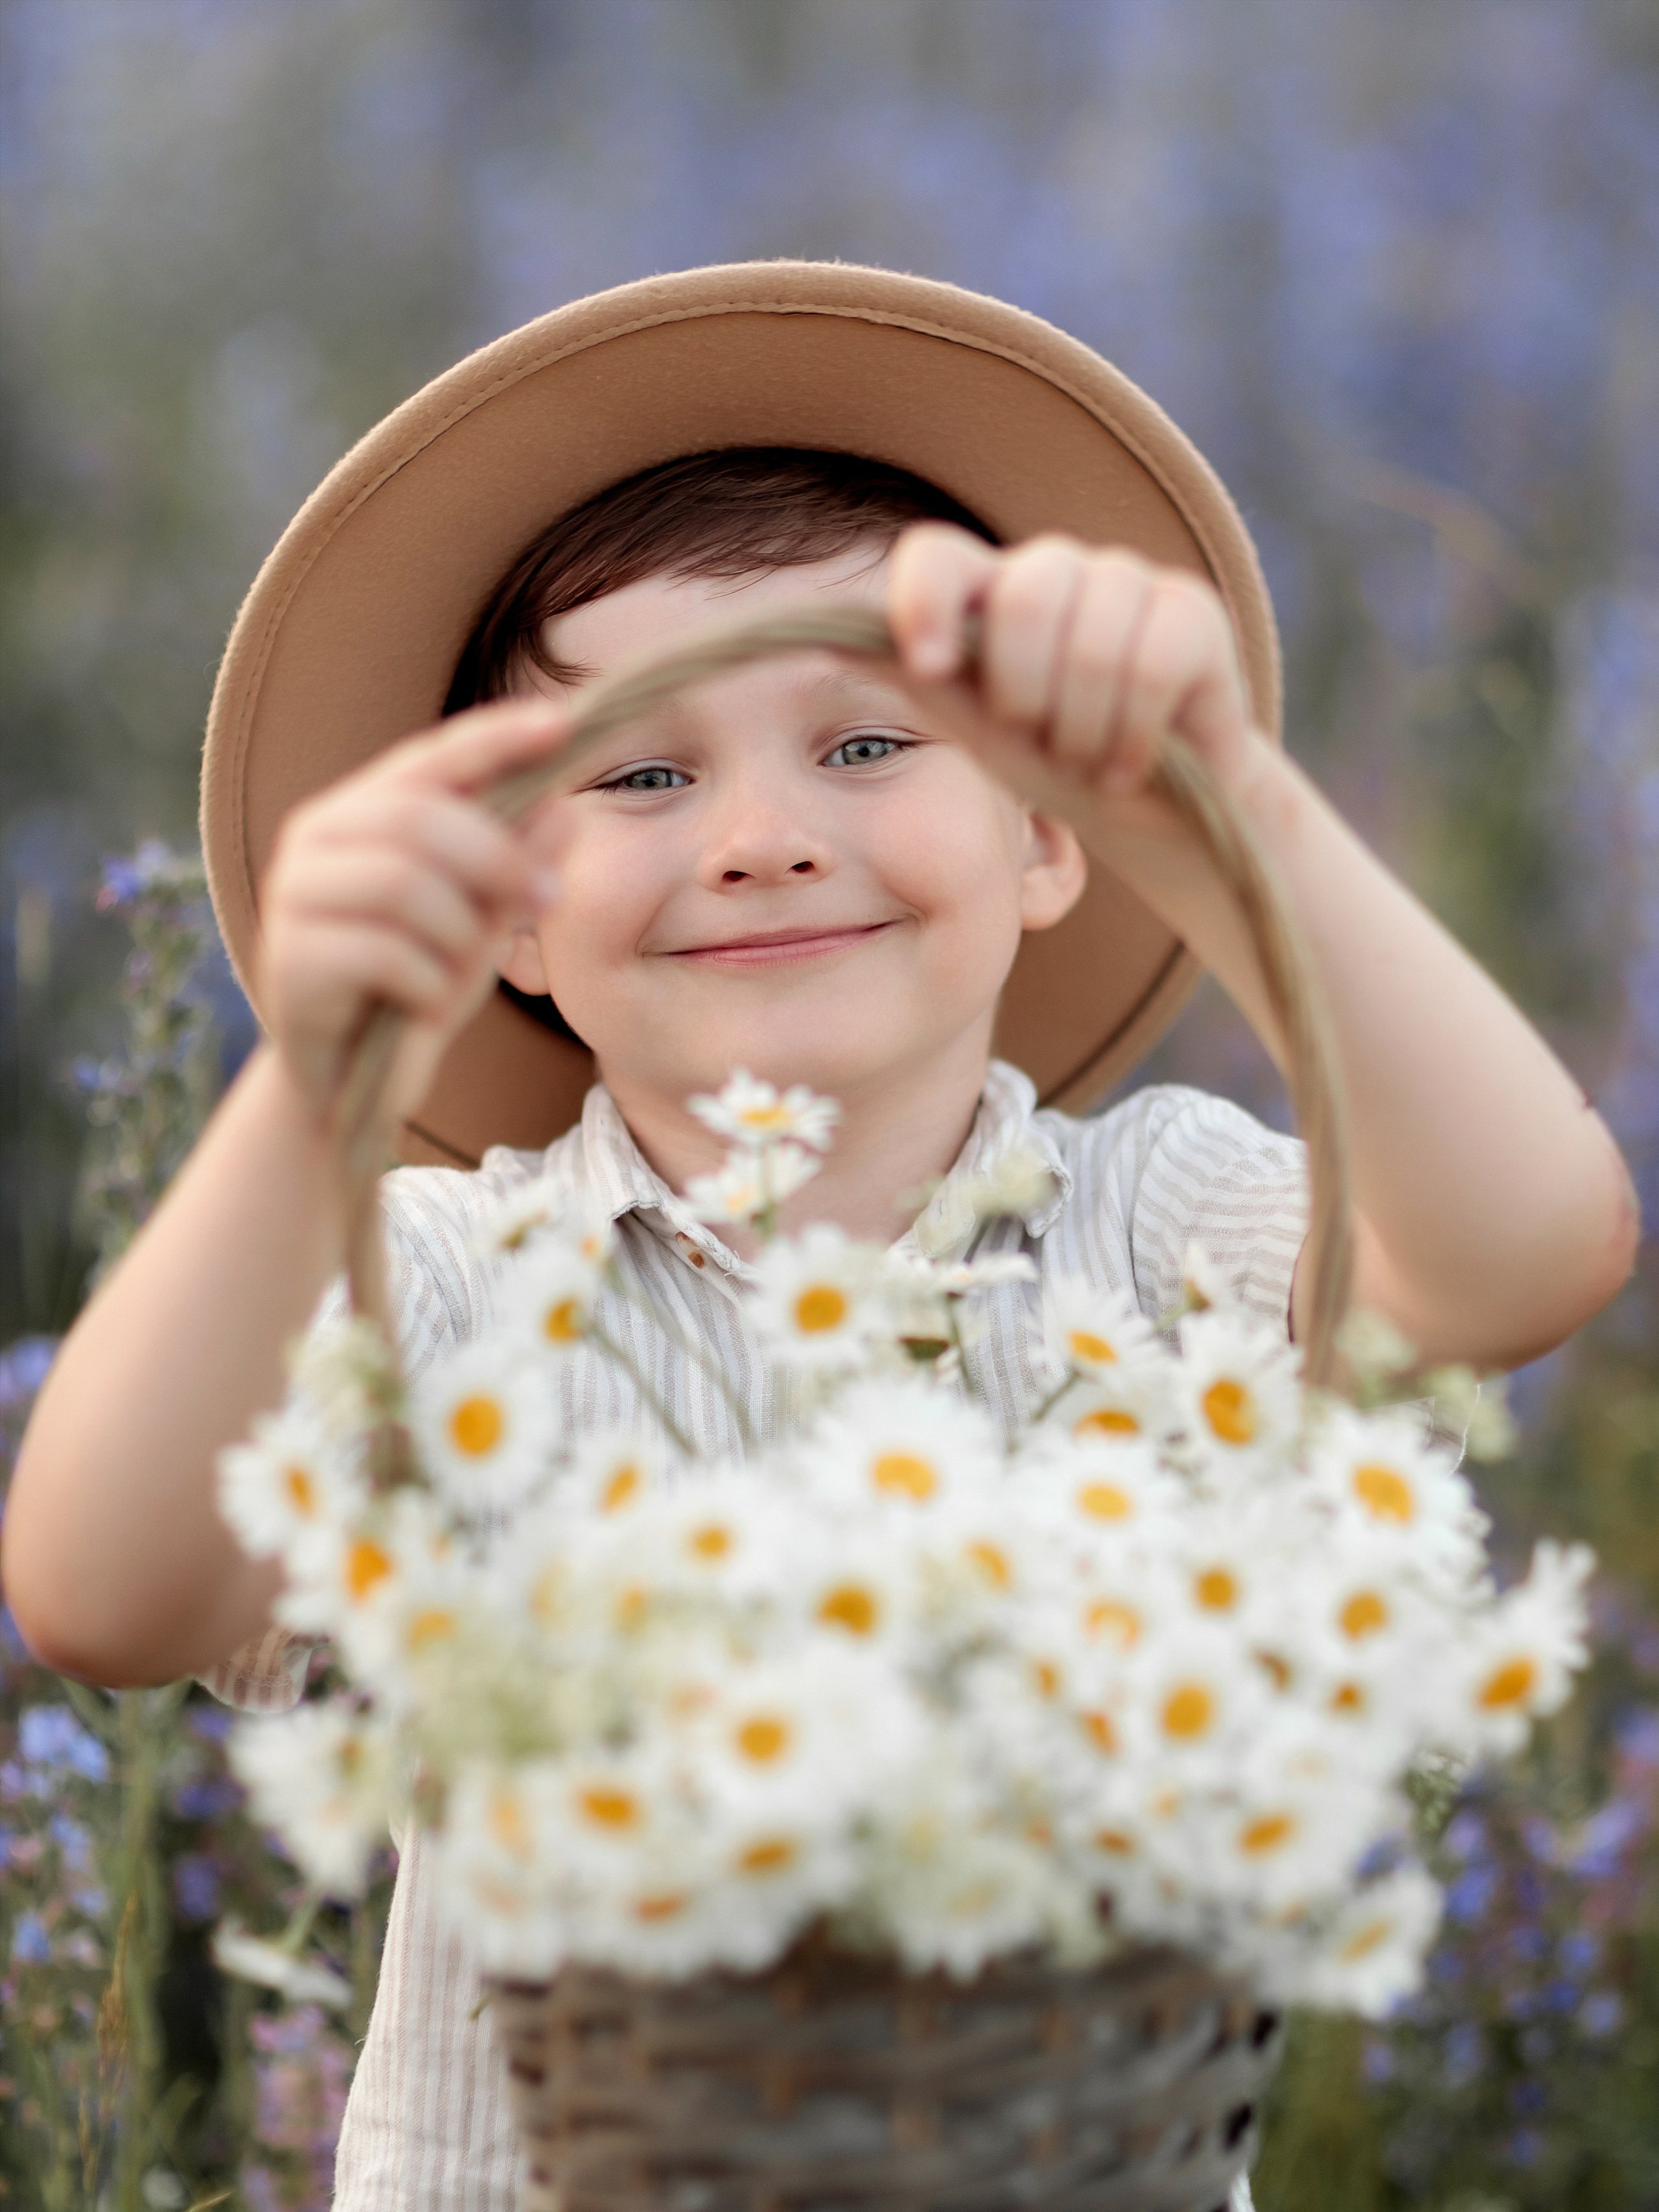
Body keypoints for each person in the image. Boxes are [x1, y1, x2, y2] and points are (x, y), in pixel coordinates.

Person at [4, 262, 1636, 2211]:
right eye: (640, 772)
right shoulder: (443, 1282)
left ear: (1051, 839)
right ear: (505, 921)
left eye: (867, 746)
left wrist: (1226, 819)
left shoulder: (1160, 1228)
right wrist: (313, 1091)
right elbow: (105, 1591)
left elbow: (1533, 1254)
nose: (762, 835)